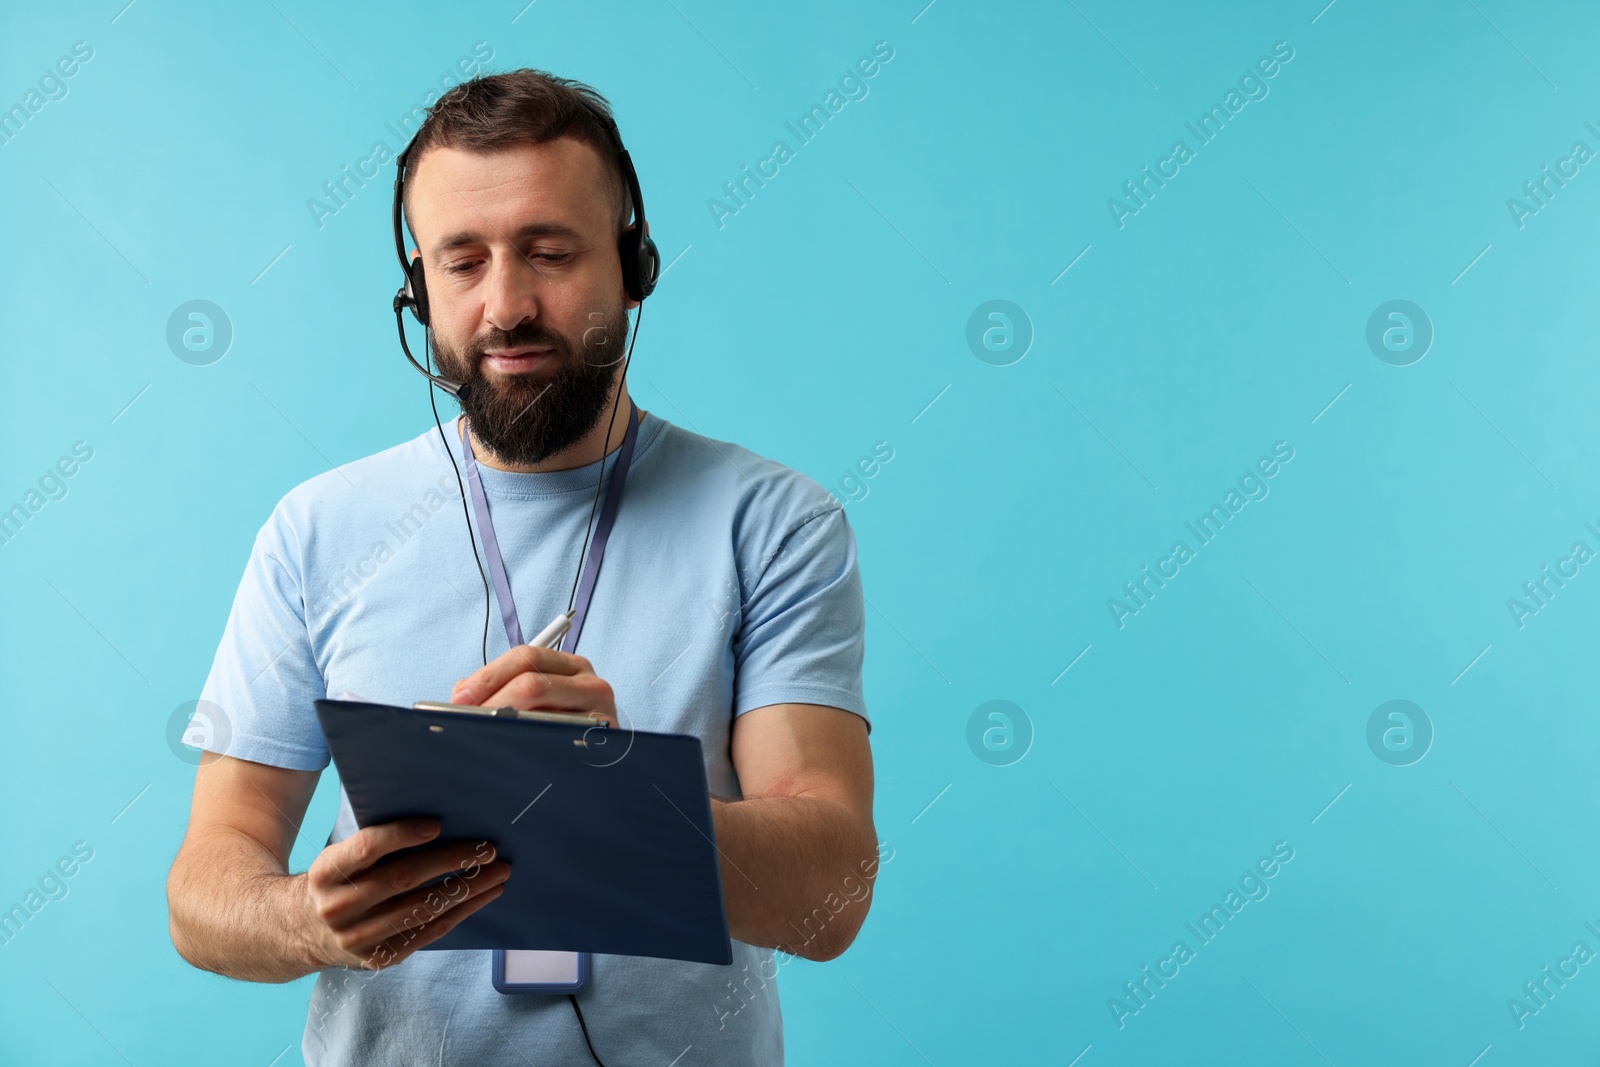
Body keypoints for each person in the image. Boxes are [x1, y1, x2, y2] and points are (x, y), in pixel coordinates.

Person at [165, 68, 878, 1066]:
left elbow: (829, 894)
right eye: (461, 262)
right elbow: (204, 889)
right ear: (417, 290)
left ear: (635, 263)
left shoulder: (773, 522)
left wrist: (621, 792)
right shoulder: (317, 529)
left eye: (548, 252)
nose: (506, 306)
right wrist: (306, 919)